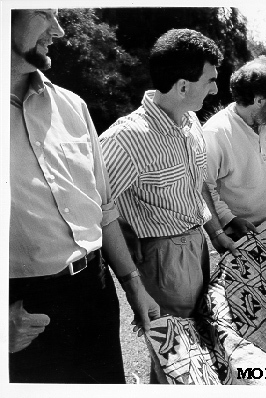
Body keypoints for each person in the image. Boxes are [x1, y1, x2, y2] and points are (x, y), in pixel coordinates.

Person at [9, 9, 160, 383]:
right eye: (44, 14)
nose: (59, 31)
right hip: (23, 314)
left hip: (95, 290)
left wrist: (133, 286)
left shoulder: (73, 106)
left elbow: (103, 208)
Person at [100, 28, 235, 329]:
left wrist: (216, 235)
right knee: (175, 359)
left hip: (197, 246)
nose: (215, 90)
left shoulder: (190, 121)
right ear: (183, 87)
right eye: (211, 81)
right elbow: (95, 206)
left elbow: (197, 183)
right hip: (163, 260)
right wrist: (132, 277)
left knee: (192, 353)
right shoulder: (127, 138)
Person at [203, 57, 266, 241]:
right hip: (244, 235)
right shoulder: (216, 132)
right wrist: (229, 219)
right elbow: (203, 187)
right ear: (259, 100)